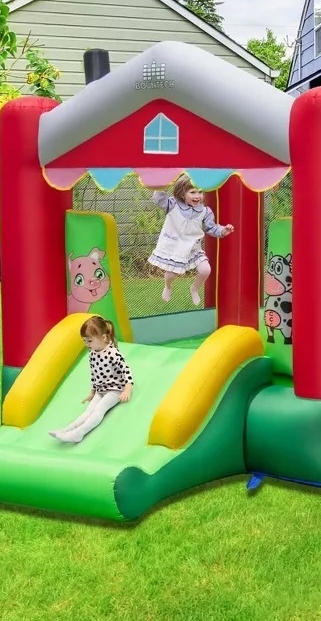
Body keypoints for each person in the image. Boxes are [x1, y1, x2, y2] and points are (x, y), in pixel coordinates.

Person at [147, 175, 234, 306]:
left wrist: (223, 230)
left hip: (192, 248)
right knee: (171, 275)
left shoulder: (205, 211)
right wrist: (163, 181)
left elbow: (211, 228)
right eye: (193, 192)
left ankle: (194, 289)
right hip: (174, 248)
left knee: (206, 270)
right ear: (182, 194)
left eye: (200, 192)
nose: (197, 196)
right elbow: (159, 199)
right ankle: (168, 286)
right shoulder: (172, 205)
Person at [49, 316, 133, 444]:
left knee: (99, 410)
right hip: (101, 390)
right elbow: (95, 373)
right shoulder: (92, 353)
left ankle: (79, 433)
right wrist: (93, 391)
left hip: (115, 390)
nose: (87, 344)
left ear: (104, 338)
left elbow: (126, 370)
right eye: (85, 341)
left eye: (89, 341)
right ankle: (66, 430)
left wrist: (127, 389)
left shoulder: (112, 353)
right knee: (88, 410)